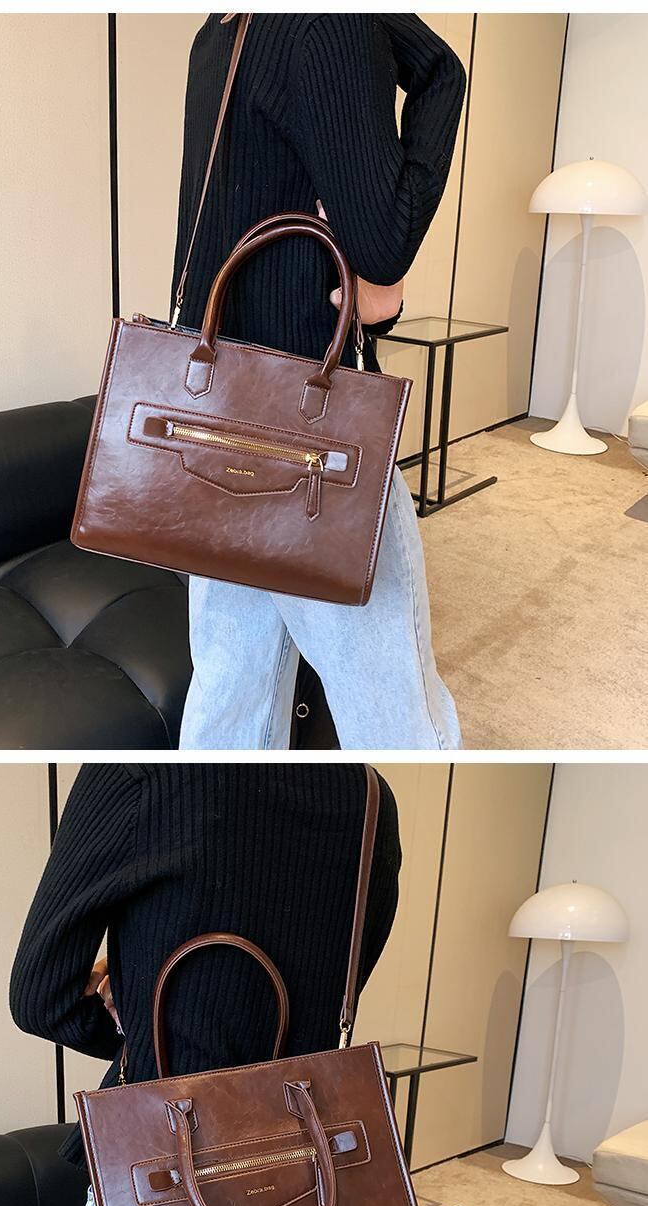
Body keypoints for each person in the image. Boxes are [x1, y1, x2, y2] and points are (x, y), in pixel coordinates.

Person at [8, 760, 400, 1206]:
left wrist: (140, 1023)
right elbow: (338, 982)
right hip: (302, 1180)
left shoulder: (141, 773)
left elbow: (39, 995)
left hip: (159, 1192)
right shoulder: (370, 796)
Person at [173, 14, 466, 751]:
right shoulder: (326, 24)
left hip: (217, 425)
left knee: (229, 703)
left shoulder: (221, 30)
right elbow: (382, 241)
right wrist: (384, 292)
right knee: (395, 714)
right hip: (313, 433)